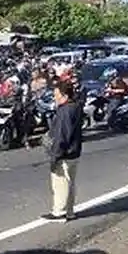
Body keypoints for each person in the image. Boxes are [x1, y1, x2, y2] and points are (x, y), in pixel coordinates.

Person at [43, 80, 83, 222]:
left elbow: (62, 135)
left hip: (65, 153)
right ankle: (69, 211)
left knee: (60, 183)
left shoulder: (65, 111)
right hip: (74, 152)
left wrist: (55, 156)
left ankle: (59, 213)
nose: (55, 98)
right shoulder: (76, 107)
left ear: (65, 96)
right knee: (70, 182)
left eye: (57, 95)